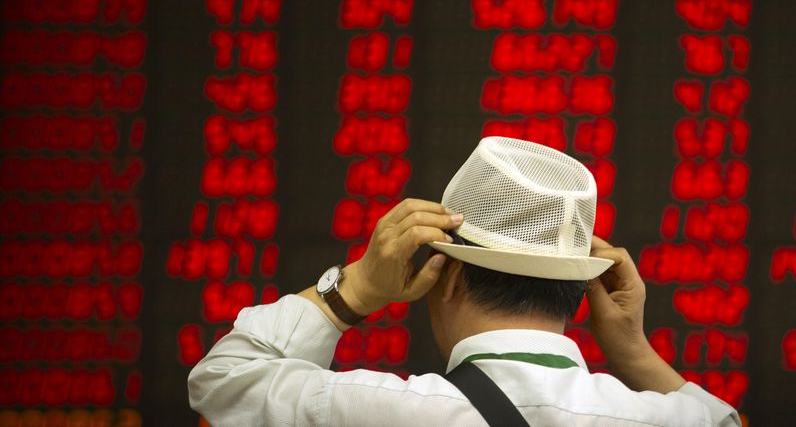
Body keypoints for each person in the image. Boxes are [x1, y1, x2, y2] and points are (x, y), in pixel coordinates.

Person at [189, 137, 741, 426]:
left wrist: (355, 288)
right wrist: (634, 350)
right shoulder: (673, 420)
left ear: (447, 278)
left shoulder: (374, 411)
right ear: (580, 289)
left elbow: (221, 380)